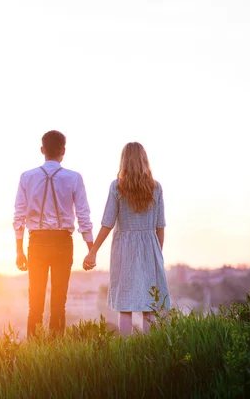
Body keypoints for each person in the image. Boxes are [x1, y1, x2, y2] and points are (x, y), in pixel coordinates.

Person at [13, 130, 94, 338]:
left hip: (37, 243)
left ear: (42, 150)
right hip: (63, 243)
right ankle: (56, 350)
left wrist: (19, 251)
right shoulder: (74, 178)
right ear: (63, 151)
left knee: (36, 303)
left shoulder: (27, 177)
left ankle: (34, 351)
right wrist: (90, 250)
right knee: (59, 304)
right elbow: (83, 215)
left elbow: (19, 217)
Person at [83, 142, 170, 336]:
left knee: (125, 305)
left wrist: (93, 251)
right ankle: (150, 348)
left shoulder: (117, 187)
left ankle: (125, 350)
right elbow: (160, 226)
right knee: (150, 305)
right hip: (150, 247)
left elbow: (108, 222)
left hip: (124, 250)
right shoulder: (156, 188)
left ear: (123, 161)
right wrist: (158, 254)